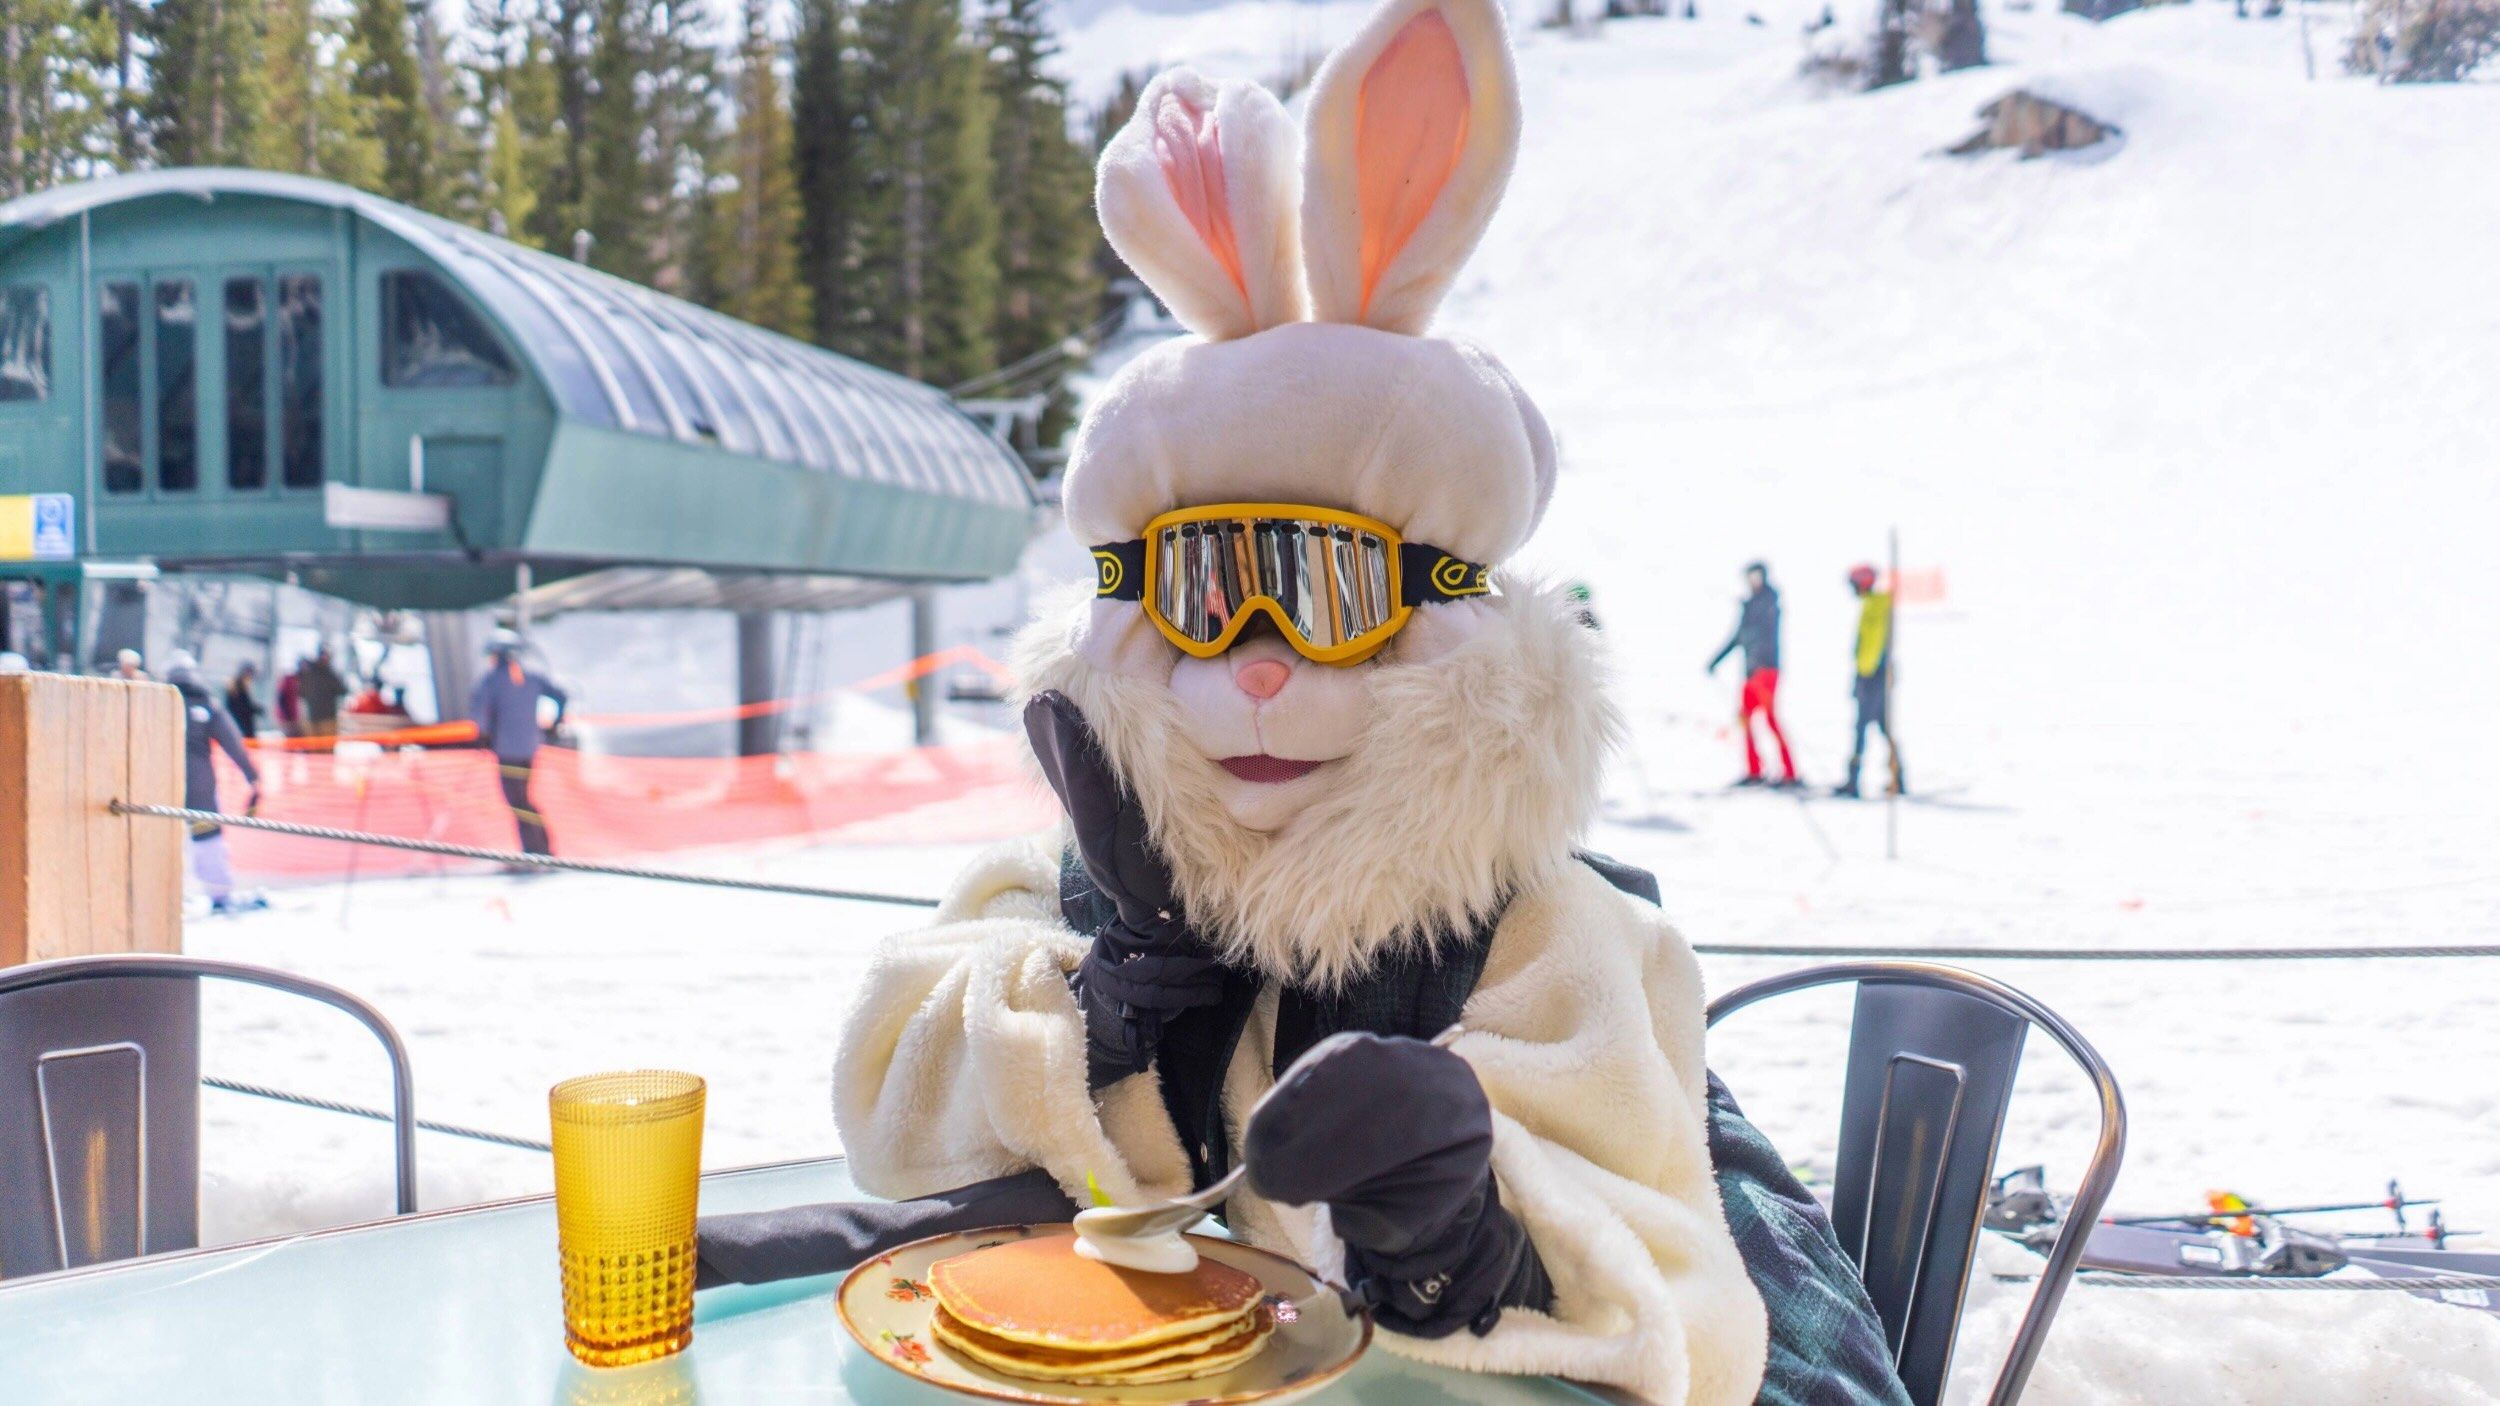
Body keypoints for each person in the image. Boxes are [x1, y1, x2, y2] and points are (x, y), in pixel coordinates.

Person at [692, 17, 1911, 1404]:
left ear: (1447, 617)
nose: (1261, 658)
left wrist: (1477, 1235)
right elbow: (895, 1101)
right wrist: (1104, 999)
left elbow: (1748, 1319)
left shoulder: (1544, 933)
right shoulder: (1092, 880)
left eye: (1331, 589)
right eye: (1204, 590)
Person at [165, 652, 263, 914]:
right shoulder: (206, 704)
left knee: (163, 838)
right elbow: (232, 741)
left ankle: (165, 897)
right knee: (207, 837)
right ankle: (219, 893)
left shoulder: (157, 702)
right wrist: (252, 775)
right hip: (200, 788)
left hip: (161, 784)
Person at [468, 629, 568, 858]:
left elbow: (479, 710)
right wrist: (556, 721)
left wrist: (482, 736)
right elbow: (561, 695)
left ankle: (535, 851)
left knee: (518, 801)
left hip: (507, 750)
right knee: (524, 800)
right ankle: (541, 848)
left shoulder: (493, 680)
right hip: (529, 748)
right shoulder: (531, 676)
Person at [1707, 561, 1797, 787]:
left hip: (1766, 671)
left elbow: (1761, 636)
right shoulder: (1749, 606)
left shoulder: (1769, 603)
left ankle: (1790, 772)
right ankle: (1754, 770)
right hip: (1750, 673)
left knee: (1770, 719)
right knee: (1745, 718)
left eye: (1757, 576)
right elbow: (1737, 637)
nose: (1753, 581)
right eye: (1750, 576)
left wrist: (1750, 608)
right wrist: (1715, 661)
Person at [1834, 564, 1905, 799]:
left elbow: (1872, 646)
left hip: (1872, 677)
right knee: (1883, 728)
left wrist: (1863, 672)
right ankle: (1898, 777)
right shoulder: (1873, 605)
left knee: (1863, 728)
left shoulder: (1876, 606)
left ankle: (1854, 781)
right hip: (1871, 676)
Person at [294, 647, 346, 737]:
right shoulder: (329, 674)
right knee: (324, 747)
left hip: (313, 716)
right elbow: (342, 690)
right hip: (325, 718)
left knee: (316, 748)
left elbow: (300, 693)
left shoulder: (308, 673)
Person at [224, 662, 265, 739]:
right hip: (242, 728)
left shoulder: (238, 686)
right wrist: (256, 709)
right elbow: (243, 707)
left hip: (238, 727)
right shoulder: (238, 687)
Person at [274, 661, 304, 737]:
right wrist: (288, 716)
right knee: (293, 738)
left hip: (292, 717)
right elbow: (281, 699)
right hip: (288, 718)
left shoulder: (294, 681)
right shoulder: (288, 681)